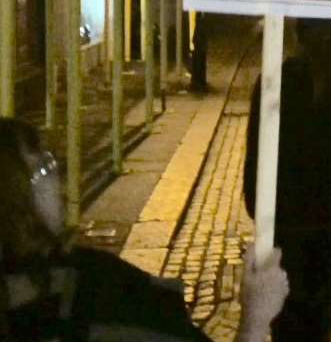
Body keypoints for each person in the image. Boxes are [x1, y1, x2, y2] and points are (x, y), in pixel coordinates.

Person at [0, 118, 288, 341]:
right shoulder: (93, 299)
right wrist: (254, 321)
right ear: (15, 195)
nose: (57, 177)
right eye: (44, 167)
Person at [244, 18, 331, 342]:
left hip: (284, 218)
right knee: (319, 317)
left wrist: (257, 205)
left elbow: (257, 148)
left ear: (298, 36)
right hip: (328, 218)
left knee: (284, 317)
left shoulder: (274, 79)